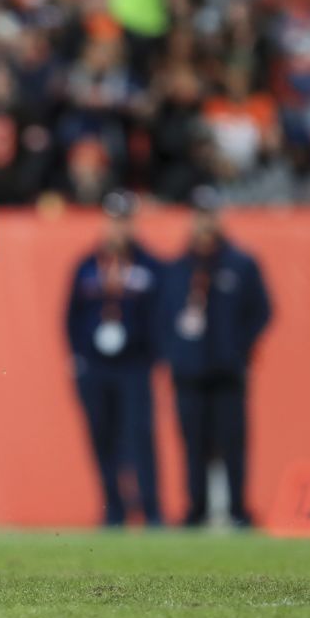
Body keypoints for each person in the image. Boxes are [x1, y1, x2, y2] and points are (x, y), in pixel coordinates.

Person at [159, 186, 272, 527]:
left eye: (209, 214)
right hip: (189, 372)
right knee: (193, 445)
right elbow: (162, 316)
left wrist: (238, 347)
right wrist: (174, 353)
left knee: (233, 443)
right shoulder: (178, 268)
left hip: (227, 371)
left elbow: (262, 311)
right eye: (198, 215)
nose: (204, 222)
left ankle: (238, 510)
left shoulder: (241, 264)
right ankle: (196, 510)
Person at [66, 191, 164, 528]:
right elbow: (71, 316)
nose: (118, 228)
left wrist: (153, 355)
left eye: (124, 221)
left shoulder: (150, 266)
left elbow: (159, 316)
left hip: (134, 365)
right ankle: (115, 510)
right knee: (102, 437)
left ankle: (151, 511)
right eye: (113, 220)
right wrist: (76, 359)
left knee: (139, 437)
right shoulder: (87, 266)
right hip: (95, 366)